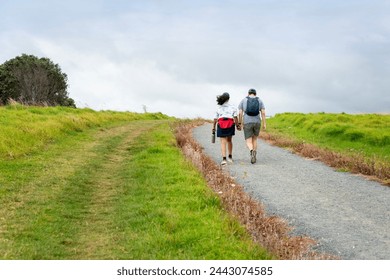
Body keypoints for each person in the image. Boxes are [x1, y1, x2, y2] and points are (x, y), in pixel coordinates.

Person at [238, 88, 266, 164]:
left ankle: (251, 151)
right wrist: (264, 123)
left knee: (248, 141)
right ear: (255, 94)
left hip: (247, 122)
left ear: (248, 93)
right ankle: (254, 152)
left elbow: (240, 112)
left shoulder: (244, 100)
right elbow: (263, 112)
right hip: (257, 122)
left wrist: (240, 122)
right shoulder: (259, 100)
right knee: (255, 139)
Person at [212, 92, 240, 165]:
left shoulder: (218, 107)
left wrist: (213, 128)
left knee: (222, 142)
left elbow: (215, 119)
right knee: (229, 140)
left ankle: (224, 159)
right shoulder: (233, 107)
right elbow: (235, 117)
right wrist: (237, 126)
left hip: (221, 123)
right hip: (230, 123)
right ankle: (230, 157)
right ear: (229, 98)